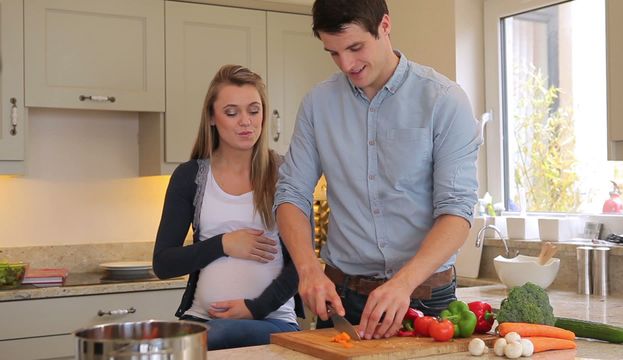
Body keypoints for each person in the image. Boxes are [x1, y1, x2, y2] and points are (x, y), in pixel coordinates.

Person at [274, 0, 482, 341]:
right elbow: (290, 195)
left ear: (384, 25)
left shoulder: (444, 100)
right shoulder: (318, 105)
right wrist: (308, 268)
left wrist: (402, 284)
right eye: (333, 53)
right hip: (344, 302)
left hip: (426, 301)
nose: (347, 64)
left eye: (356, 48)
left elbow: (456, 213)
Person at [153, 64, 303, 350]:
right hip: (202, 320)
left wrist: (254, 308)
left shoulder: (285, 174)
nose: (245, 121)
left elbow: (301, 266)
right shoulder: (190, 177)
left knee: (207, 339)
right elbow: (163, 264)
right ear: (212, 117)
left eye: (254, 110)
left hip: (272, 322)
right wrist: (223, 244)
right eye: (232, 112)